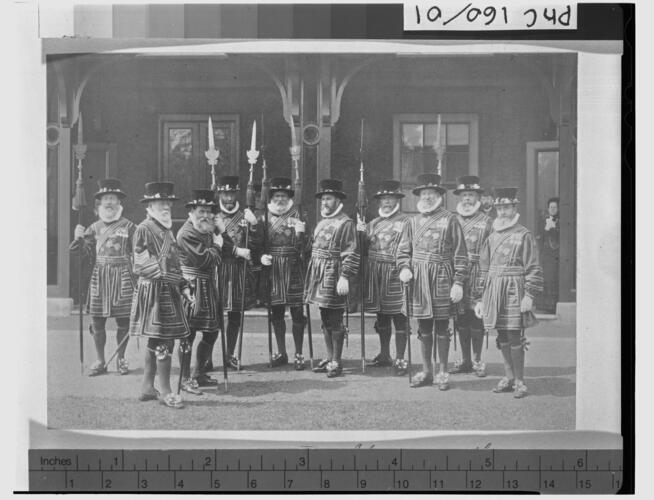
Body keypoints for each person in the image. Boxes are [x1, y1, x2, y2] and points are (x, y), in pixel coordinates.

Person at [396, 173, 468, 390]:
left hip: (442, 277)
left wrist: (458, 282)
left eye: (431, 193)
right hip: (418, 279)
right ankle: (427, 371)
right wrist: (405, 267)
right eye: (424, 193)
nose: (427, 197)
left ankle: (443, 372)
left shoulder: (451, 219)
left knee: (442, 326)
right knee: (424, 326)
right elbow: (403, 250)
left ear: (439, 195)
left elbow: (460, 254)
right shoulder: (412, 221)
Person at [474, 187, 543, 399]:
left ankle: (520, 381)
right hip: (494, 289)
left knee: (514, 334)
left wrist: (529, 295)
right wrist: (480, 298)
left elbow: (533, 267)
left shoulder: (524, 235)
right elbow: (483, 268)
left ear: (515, 208)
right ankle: (509, 376)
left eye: (507, 208)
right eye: (500, 208)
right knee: (501, 334)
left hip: (515, 289)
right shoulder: (491, 237)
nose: (503, 212)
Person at [129, 182, 193, 409]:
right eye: (160, 202)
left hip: (170, 289)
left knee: (157, 339)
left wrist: (184, 286)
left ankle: (147, 387)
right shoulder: (144, 228)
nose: (165, 206)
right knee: (165, 339)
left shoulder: (167, 229)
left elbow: (175, 262)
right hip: (155, 290)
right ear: (150, 204)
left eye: (168, 202)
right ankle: (165, 391)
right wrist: (162, 274)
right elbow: (139, 263)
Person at [69, 178, 136, 376]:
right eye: (105, 198)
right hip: (100, 277)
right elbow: (80, 255)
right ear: (99, 203)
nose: (109, 202)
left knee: (124, 321)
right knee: (97, 321)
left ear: (119, 202)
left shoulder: (130, 227)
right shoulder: (92, 228)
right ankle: (100, 359)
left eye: (112, 198)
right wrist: (77, 238)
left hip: (123, 276)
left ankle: (121, 359)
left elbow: (141, 252)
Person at [304, 179, 360, 378]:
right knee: (324, 315)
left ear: (338, 200)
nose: (324, 202)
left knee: (335, 317)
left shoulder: (346, 223)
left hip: (334, 273)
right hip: (319, 273)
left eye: (328, 199)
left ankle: (337, 360)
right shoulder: (321, 222)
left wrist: (345, 276)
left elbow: (351, 252)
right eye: (323, 199)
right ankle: (329, 357)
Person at [356, 179, 411, 375]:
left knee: (399, 317)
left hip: (395, 273)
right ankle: (385, 354)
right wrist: (360, 234)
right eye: (383, 199)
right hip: (375, 275)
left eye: (391, 199)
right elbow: (363, 250)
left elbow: (408, 249)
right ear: (379, 202)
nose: (387, 203)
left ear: (397, 200)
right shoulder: (372, 224)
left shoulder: (406, 222)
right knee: (382, 317)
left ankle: (401, 358)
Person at [176, 189, 225, 394]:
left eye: (208, 211)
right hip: (191, 287)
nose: (205, 215)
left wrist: (221, 234)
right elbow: (205, 259)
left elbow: (225, 248)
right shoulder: (186, 232)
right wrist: (218, 245)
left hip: (207, 285)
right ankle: (185, 378)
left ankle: (199, 373)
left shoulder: (208, 229)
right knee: (188, 333)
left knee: (211, 331)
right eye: (201, 211)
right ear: (192, 211)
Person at [259, 177, 311, 369]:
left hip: (294, 266)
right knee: (277, 312)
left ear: (289, 197)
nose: (280, 199)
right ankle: (281, 352)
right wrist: (261, 257)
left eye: (284, 196)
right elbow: (257, 244)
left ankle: (299, 353)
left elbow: (307, 247)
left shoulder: (299, 215)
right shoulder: (264, 218)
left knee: (297, 312)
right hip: (273, 268)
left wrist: (301, 233)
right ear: (271, 198)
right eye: (276, 196)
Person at [214, 176, 261, 369]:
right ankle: (207, 356)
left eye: (231, 193)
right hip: (219, 268)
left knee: (234, 316)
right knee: (214, 315)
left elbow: (256, 246)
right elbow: (211, 242)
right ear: (219, 194)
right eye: (225, 193)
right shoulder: (213, 216)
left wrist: (255, 226)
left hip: (239, 270)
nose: (228, 198)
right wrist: (234, 250)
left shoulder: (245, 216)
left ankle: (229, 355)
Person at [449, 176, 493, 378]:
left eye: (471, 195)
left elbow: (491, 251)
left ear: (478, 198)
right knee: (460, 318)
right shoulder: (452, 219)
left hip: (478, 273)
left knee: (477, 317)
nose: (467, 199)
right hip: (457, 274)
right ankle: (465, 359)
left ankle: (477, 360)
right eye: (464, 195)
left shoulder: (486, 222)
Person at [537, 197, 560, 313]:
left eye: (555, 207)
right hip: (546, 254)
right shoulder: (544, 221)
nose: (553, 209)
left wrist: (552, 229)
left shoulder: (560, 221)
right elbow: (540, 236)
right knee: (546, 278)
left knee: (553, 278)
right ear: (548, 209)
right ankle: (545, 306)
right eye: (551, 207)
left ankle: (553, 306)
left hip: (555, 254)